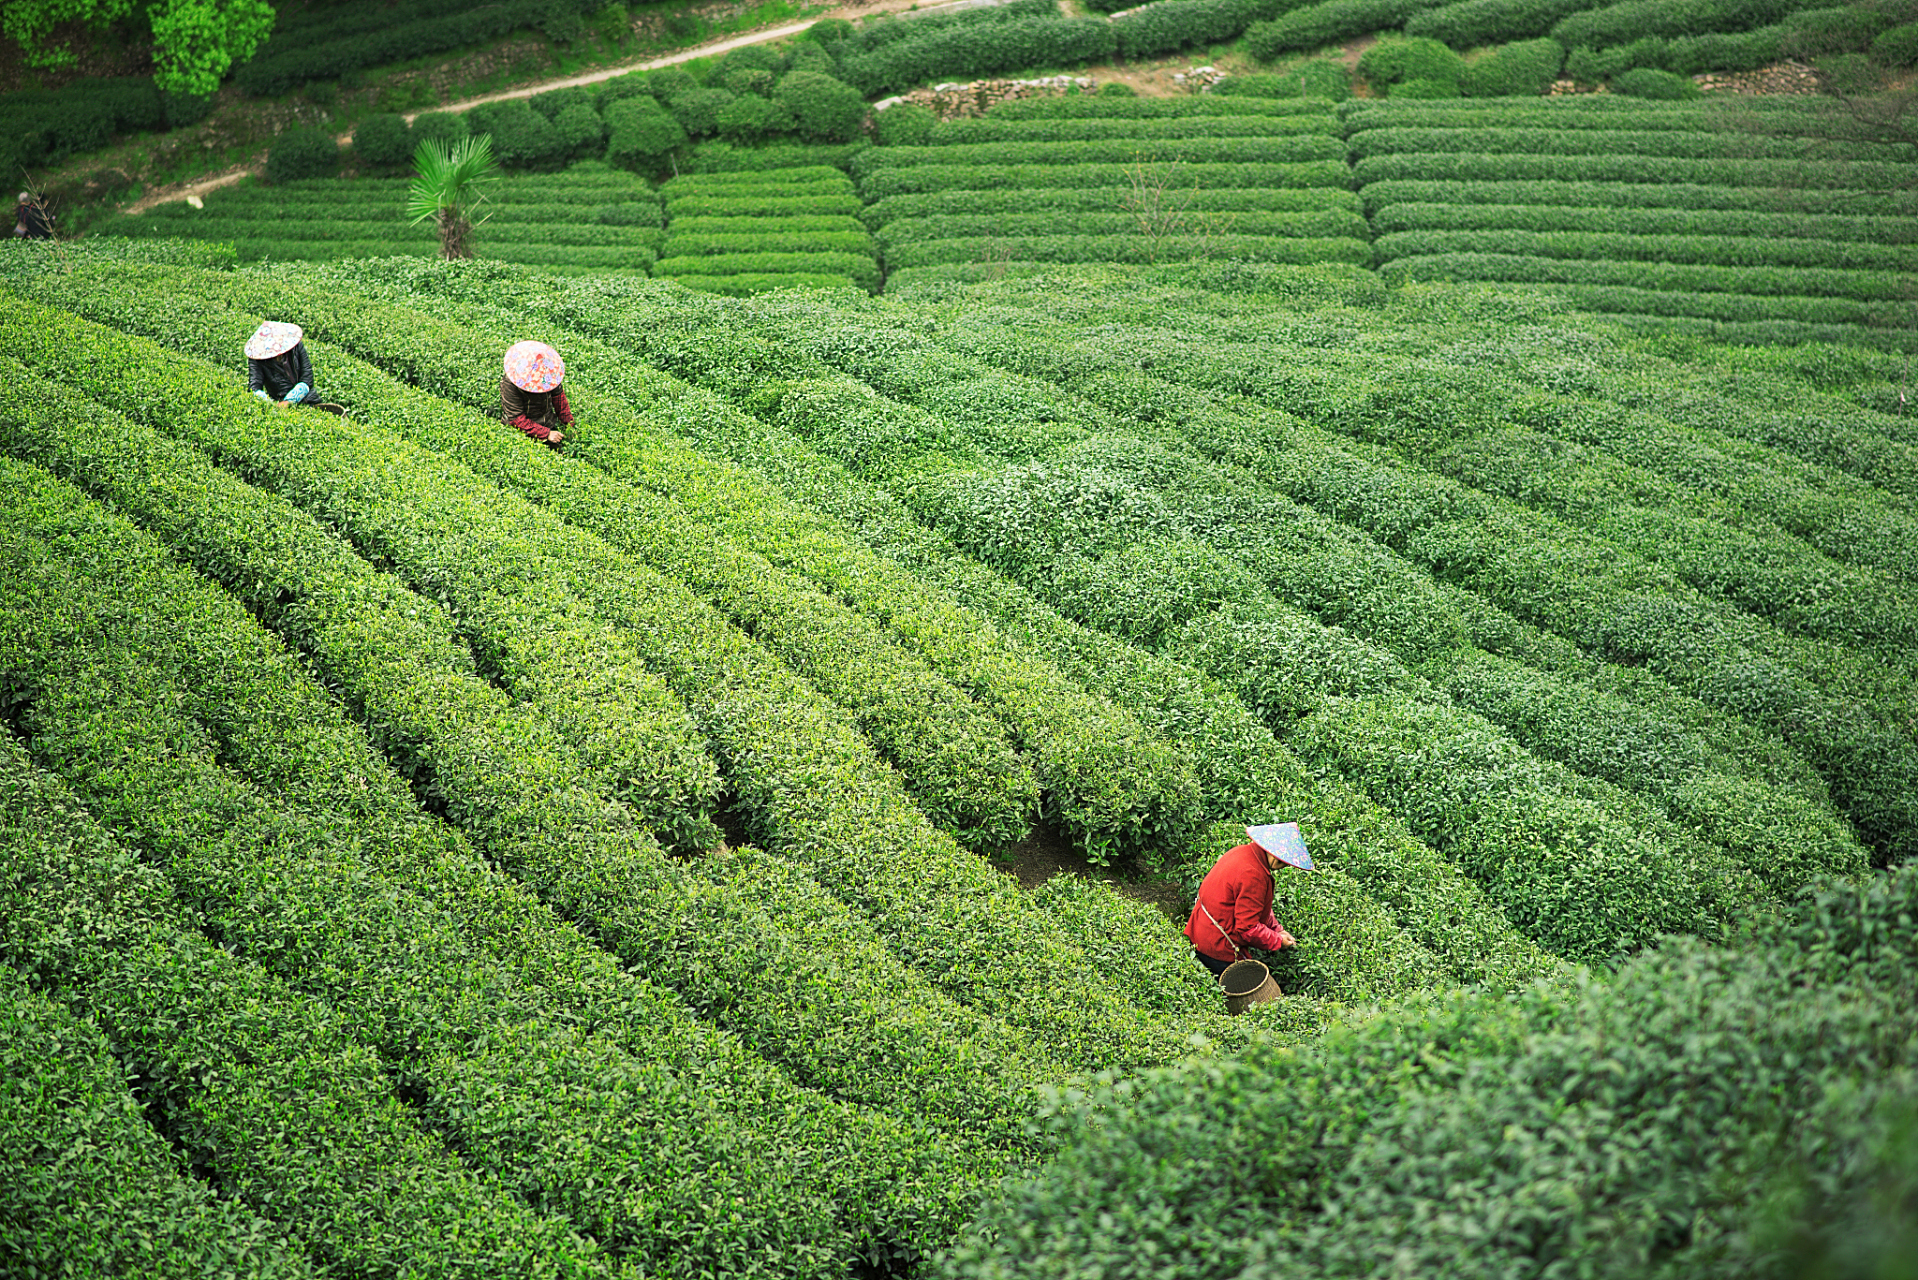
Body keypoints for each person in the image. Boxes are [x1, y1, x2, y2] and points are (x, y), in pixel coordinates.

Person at [1185, 822, 1313, 980]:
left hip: (1201, 930)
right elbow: (1248, 928)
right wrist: (1278, 941)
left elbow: (1255, 907)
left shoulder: (1242, 852)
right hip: (1217, 946)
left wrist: (1276, 929)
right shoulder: (1254, 874)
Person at [245, 321, 344, 414]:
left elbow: (307, 377)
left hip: (309, 399)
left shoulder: (296, 347)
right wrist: (271, 405)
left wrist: (290, 400)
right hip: (280, 403)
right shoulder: (257, 358)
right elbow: (254, 387)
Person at [501, 340, 570, 447]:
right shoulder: (510, 384)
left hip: (547, 422)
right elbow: (516, 418)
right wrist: (546, 434)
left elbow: (560, 402)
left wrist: (569, 425)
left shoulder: (551, 375)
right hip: (520, 431)